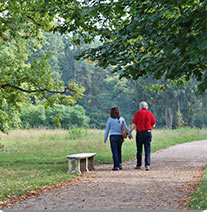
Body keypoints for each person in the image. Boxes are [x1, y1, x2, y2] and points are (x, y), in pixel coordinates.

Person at [104, 106, 132, 171]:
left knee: (114, 152)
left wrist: (105, 138)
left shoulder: (110, 119)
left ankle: (116, 166)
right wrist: (129, 134)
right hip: (120, 137)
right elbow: (126, 127)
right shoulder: (121, 119)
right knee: (119, 150)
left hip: (113, 136)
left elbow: (107, 129)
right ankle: (120, 164)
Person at [130, 101, 156, 171]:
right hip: (147, 132)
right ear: (147, 107)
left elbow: (133, 124)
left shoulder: (138, 113)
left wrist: (130, 132)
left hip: (140, 133)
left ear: (140, 107)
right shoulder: (150, 114)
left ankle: (139, 165)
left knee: (139, 149)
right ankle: (147, 165)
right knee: (147, 149)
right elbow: (153, 125)